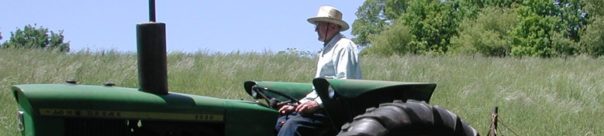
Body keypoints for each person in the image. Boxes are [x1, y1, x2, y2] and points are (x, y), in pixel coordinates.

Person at [275, 5, 362, 136]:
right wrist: (297, 104)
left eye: (319, 25)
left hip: (336, 109)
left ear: (332, 26)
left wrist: (317, 104)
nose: (315, 29)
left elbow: (344, 84)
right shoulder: (326, 49)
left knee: (293, 126)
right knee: (282, 119)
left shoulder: (344, 46)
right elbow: (317, 91)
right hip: (324, 106)